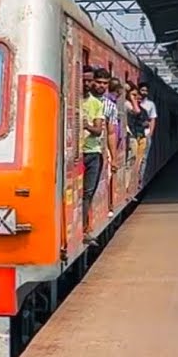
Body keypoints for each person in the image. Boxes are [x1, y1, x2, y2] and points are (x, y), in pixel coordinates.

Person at [81, 68, 109, 237]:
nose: (87, 84)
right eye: (84, 80)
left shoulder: (97, 104)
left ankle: (84, 227)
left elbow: (98, 131)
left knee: (88, 192)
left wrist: (86, 125)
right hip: (77, 152)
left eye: (90, 80)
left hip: (93, 152)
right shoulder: (71, 99)